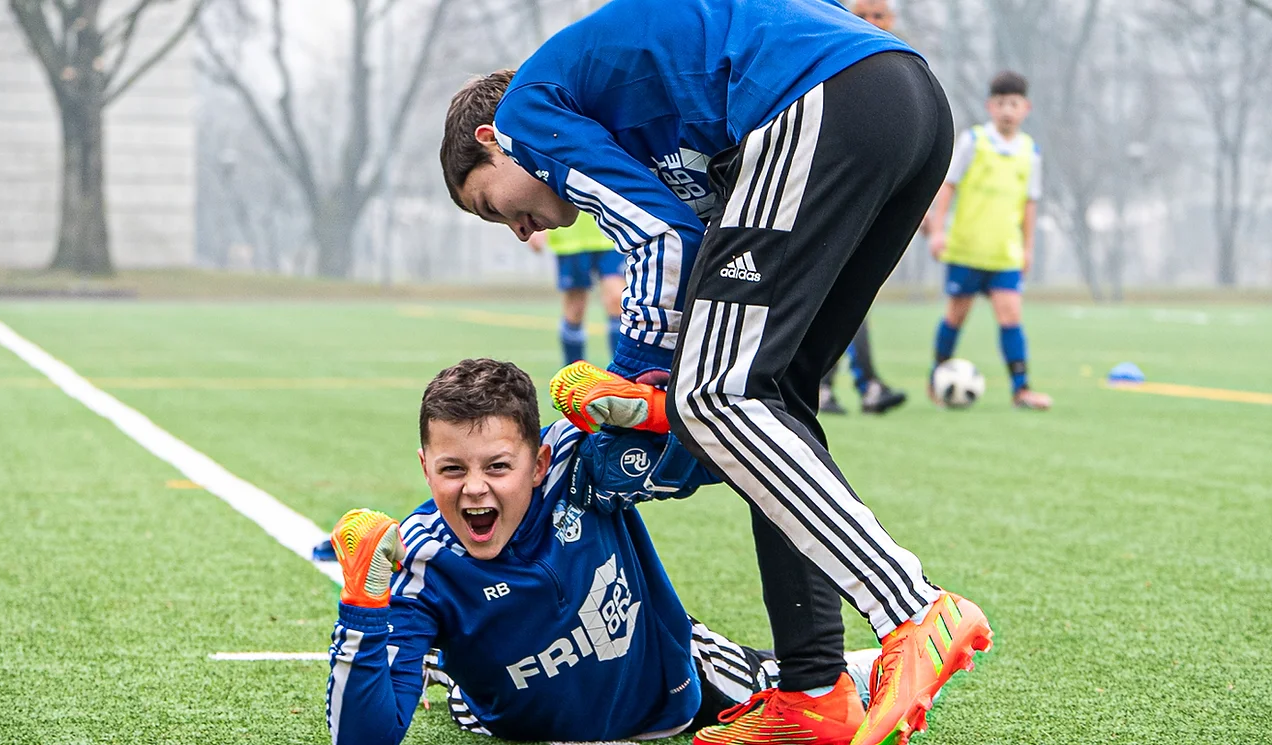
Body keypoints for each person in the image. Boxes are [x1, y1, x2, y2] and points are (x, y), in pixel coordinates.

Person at [438, 2, 993, 744]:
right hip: (906, 105)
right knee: (772, 403)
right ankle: (813, 692)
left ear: (491, 141)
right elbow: (707, 243)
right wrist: (654, 400)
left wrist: (639, 380)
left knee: (716, 395)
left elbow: (663, 240)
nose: (519, 229)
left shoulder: (526, 117)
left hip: (826, 97)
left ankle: (914, 609)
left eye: (490, 204)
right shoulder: (615, 116)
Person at [325, 358, 793, 744]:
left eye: (498, 466)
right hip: (517, 725)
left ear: (538, 463)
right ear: (426, 468)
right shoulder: (423, 564)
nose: (473, 488)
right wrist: (362, 612)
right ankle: (437, 659)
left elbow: (734, 459)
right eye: (451, 469)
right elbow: (362, 739)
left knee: (800, 689)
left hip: (670, 685)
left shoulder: (579, 467)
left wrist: (651, 413)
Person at [927, 71, 1053, 410]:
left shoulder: (1031, 152)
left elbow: (1030, 203)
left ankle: (1021, 389)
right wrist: (938, 231)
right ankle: (937, 378)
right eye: (1000, 103)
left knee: (1011, 316)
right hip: (967, 248)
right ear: (990, 106)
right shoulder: (974, 141)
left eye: (1013, 104)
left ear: (1025, 107)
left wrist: (1028, 249)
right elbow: (948, 185)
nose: (1007, 110)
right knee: (956, 315)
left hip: (1004, 253)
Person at [818, 0, 910, 418]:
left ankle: (843, 385)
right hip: (829, 194)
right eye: (865, 15)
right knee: (829, 291)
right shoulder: (834, 62)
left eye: (880, 16)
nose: (873, 23)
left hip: (868, 198)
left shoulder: (901, 71)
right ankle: (833, 385)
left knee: (850, 293)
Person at [531, 210, 625, 365]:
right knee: (576, 309)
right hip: (570, 237)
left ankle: (622, 372)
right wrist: (537, 223)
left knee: (617, 299)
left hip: (611, 231)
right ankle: (573, 373)